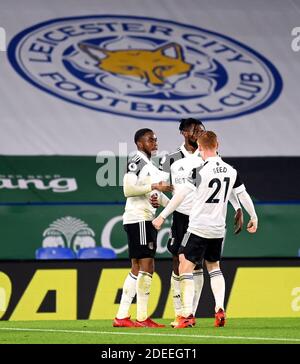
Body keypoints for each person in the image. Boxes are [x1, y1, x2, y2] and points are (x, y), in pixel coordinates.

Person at [152, 131, 258, 328]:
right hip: (218, 229)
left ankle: (188, 315)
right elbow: (243, 196)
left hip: (199, 227)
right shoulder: (231, 170)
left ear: (199, 147)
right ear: (217, 144)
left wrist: (162, 216)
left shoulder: (200, 171)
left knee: (184, 265)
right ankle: (219, 309)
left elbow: (181, 194)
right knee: (214, 266)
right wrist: (253, 216)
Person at [113, 128, 172, 328]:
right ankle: (142, 318)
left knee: (138, 267)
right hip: (138, 219)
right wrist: (154, 187)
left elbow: (157, 196)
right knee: (147, 266)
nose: (154, 143)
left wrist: (176, 207)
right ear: (139, 143)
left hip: (143, 219)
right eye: (150, 140)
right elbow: (128, 190)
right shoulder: (136, 160)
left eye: (155, 139)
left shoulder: (149, 165)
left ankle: (122, 316)